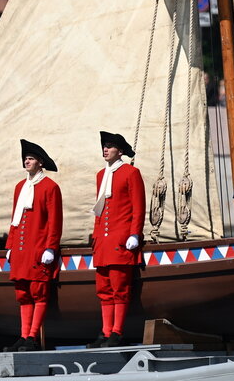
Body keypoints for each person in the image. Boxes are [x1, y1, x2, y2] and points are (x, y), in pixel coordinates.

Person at [6, 140, 62, 352]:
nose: (26, 161)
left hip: (38, 248)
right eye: (25, 159)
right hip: (20, 250)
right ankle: (23, 335)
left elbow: (55, 221)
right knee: (22, 293)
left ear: (40, 162)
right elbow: (15, 218)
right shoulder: (20, 187)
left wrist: (51, 247)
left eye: (30, 158)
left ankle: (32, 336)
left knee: (38, 292)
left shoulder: (50, 187)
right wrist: (10, 244)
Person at [90, 130, 145, 348]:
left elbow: (138, 206)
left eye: (110, 146)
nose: (105, 149)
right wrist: (96, 237)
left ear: (119, 151)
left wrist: (134, 233)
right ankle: (105, 332)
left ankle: (117, 332)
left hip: (121, 239)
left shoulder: (131, 172)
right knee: (103, 290)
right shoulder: (100, 175)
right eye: (104, 146)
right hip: (103, 242)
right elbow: (99, 210)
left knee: (119, 288)